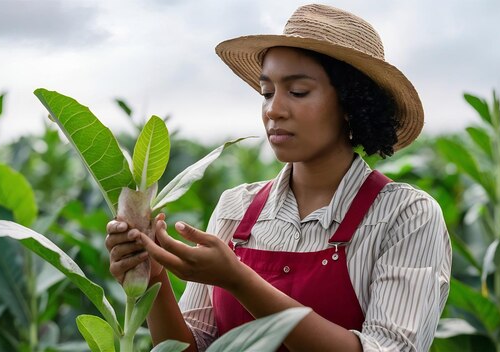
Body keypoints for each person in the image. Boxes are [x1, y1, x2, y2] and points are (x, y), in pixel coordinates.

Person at [105, 4, 451, 352]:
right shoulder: (235, 208)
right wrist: (153, 277)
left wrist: (240, 280)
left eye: (298, 92)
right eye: (267, 92)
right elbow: (194, 347)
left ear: (351, 104)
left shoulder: (406, 215)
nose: (273, 110)